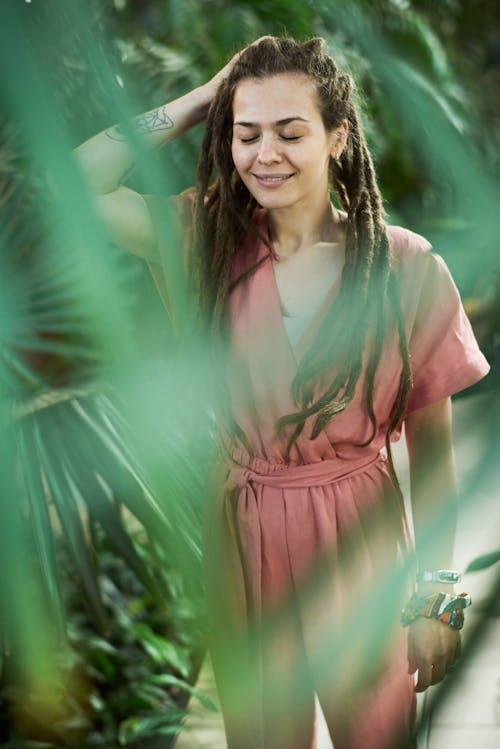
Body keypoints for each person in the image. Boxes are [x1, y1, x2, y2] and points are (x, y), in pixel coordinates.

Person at [73, 36, 490, 749]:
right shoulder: (201, 241)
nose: (266, 154)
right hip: (245, 534)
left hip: (363, 545)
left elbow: (437, 455)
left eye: (290, 132)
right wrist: (202, 99)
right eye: (246, 133)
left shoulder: (406, 267)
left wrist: (438, 601)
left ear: (338, 136)